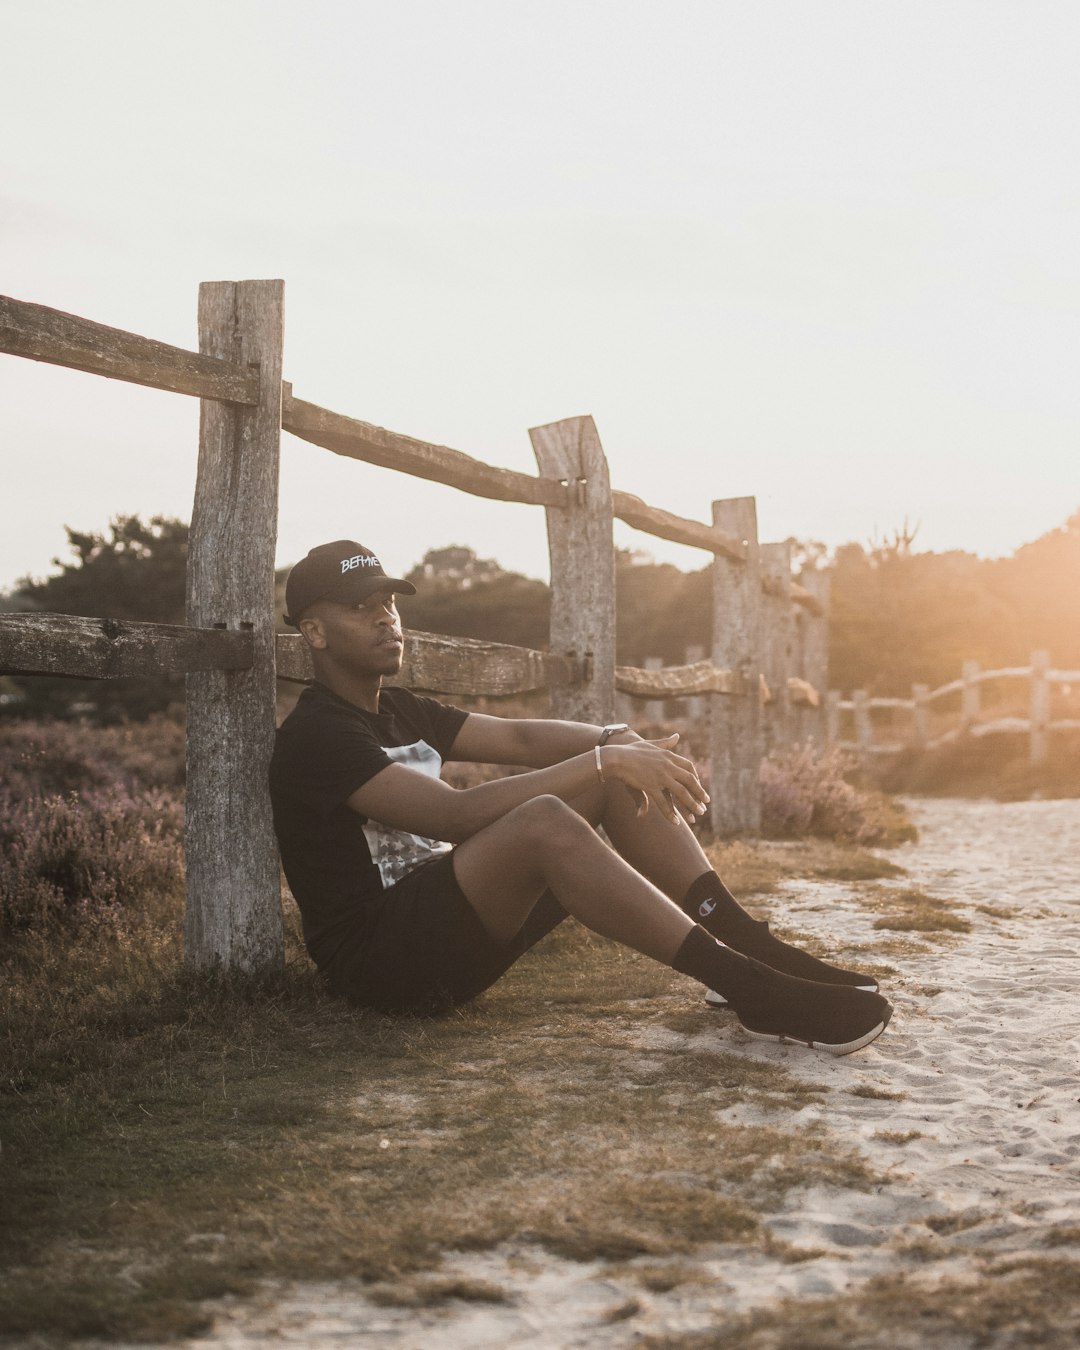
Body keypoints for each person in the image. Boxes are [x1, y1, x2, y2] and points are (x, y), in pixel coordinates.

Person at [269, 540, 892, 1057]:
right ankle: (753, 988)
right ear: (315, 632)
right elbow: (453, 816)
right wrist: (601, 759)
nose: (386, 619)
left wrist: (612, 740)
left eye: (390, 604)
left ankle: (744, 946)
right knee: (545, 818)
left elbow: (516, 735)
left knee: (610, 776)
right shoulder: (316, 735)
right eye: (362, 608)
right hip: (384, 965)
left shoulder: (400, 708)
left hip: (449, 932)